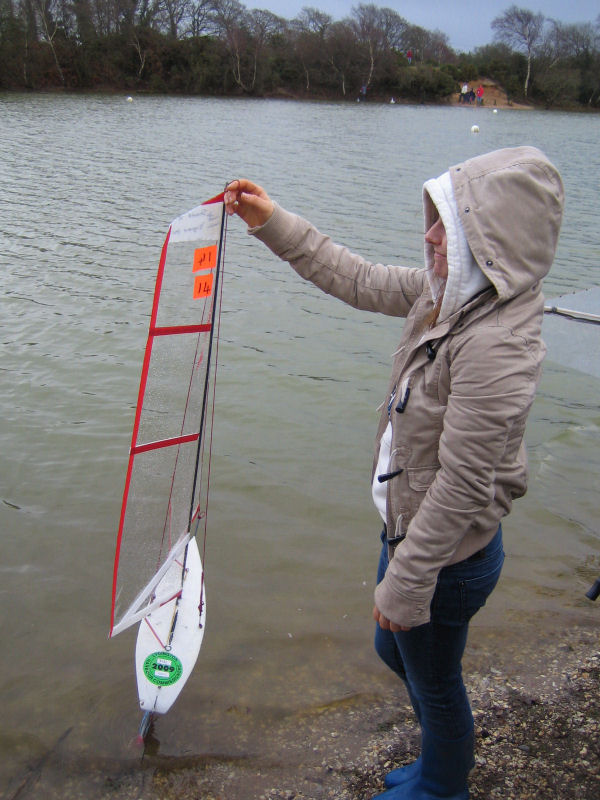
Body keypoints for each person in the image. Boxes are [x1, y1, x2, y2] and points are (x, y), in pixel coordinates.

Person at [224, 146, 564, 799]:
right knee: (397, 653)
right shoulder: (450, 296)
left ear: (492, 245)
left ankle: (442, 785)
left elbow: (464, 485)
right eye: (432, 218)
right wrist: (273, 223)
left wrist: (408, 583)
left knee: (435, 681)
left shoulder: (497, 346)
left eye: (448, 226)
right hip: (411, 538)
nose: (429, 235)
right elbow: (357, 277)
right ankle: (440, 756)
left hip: (445, 559)